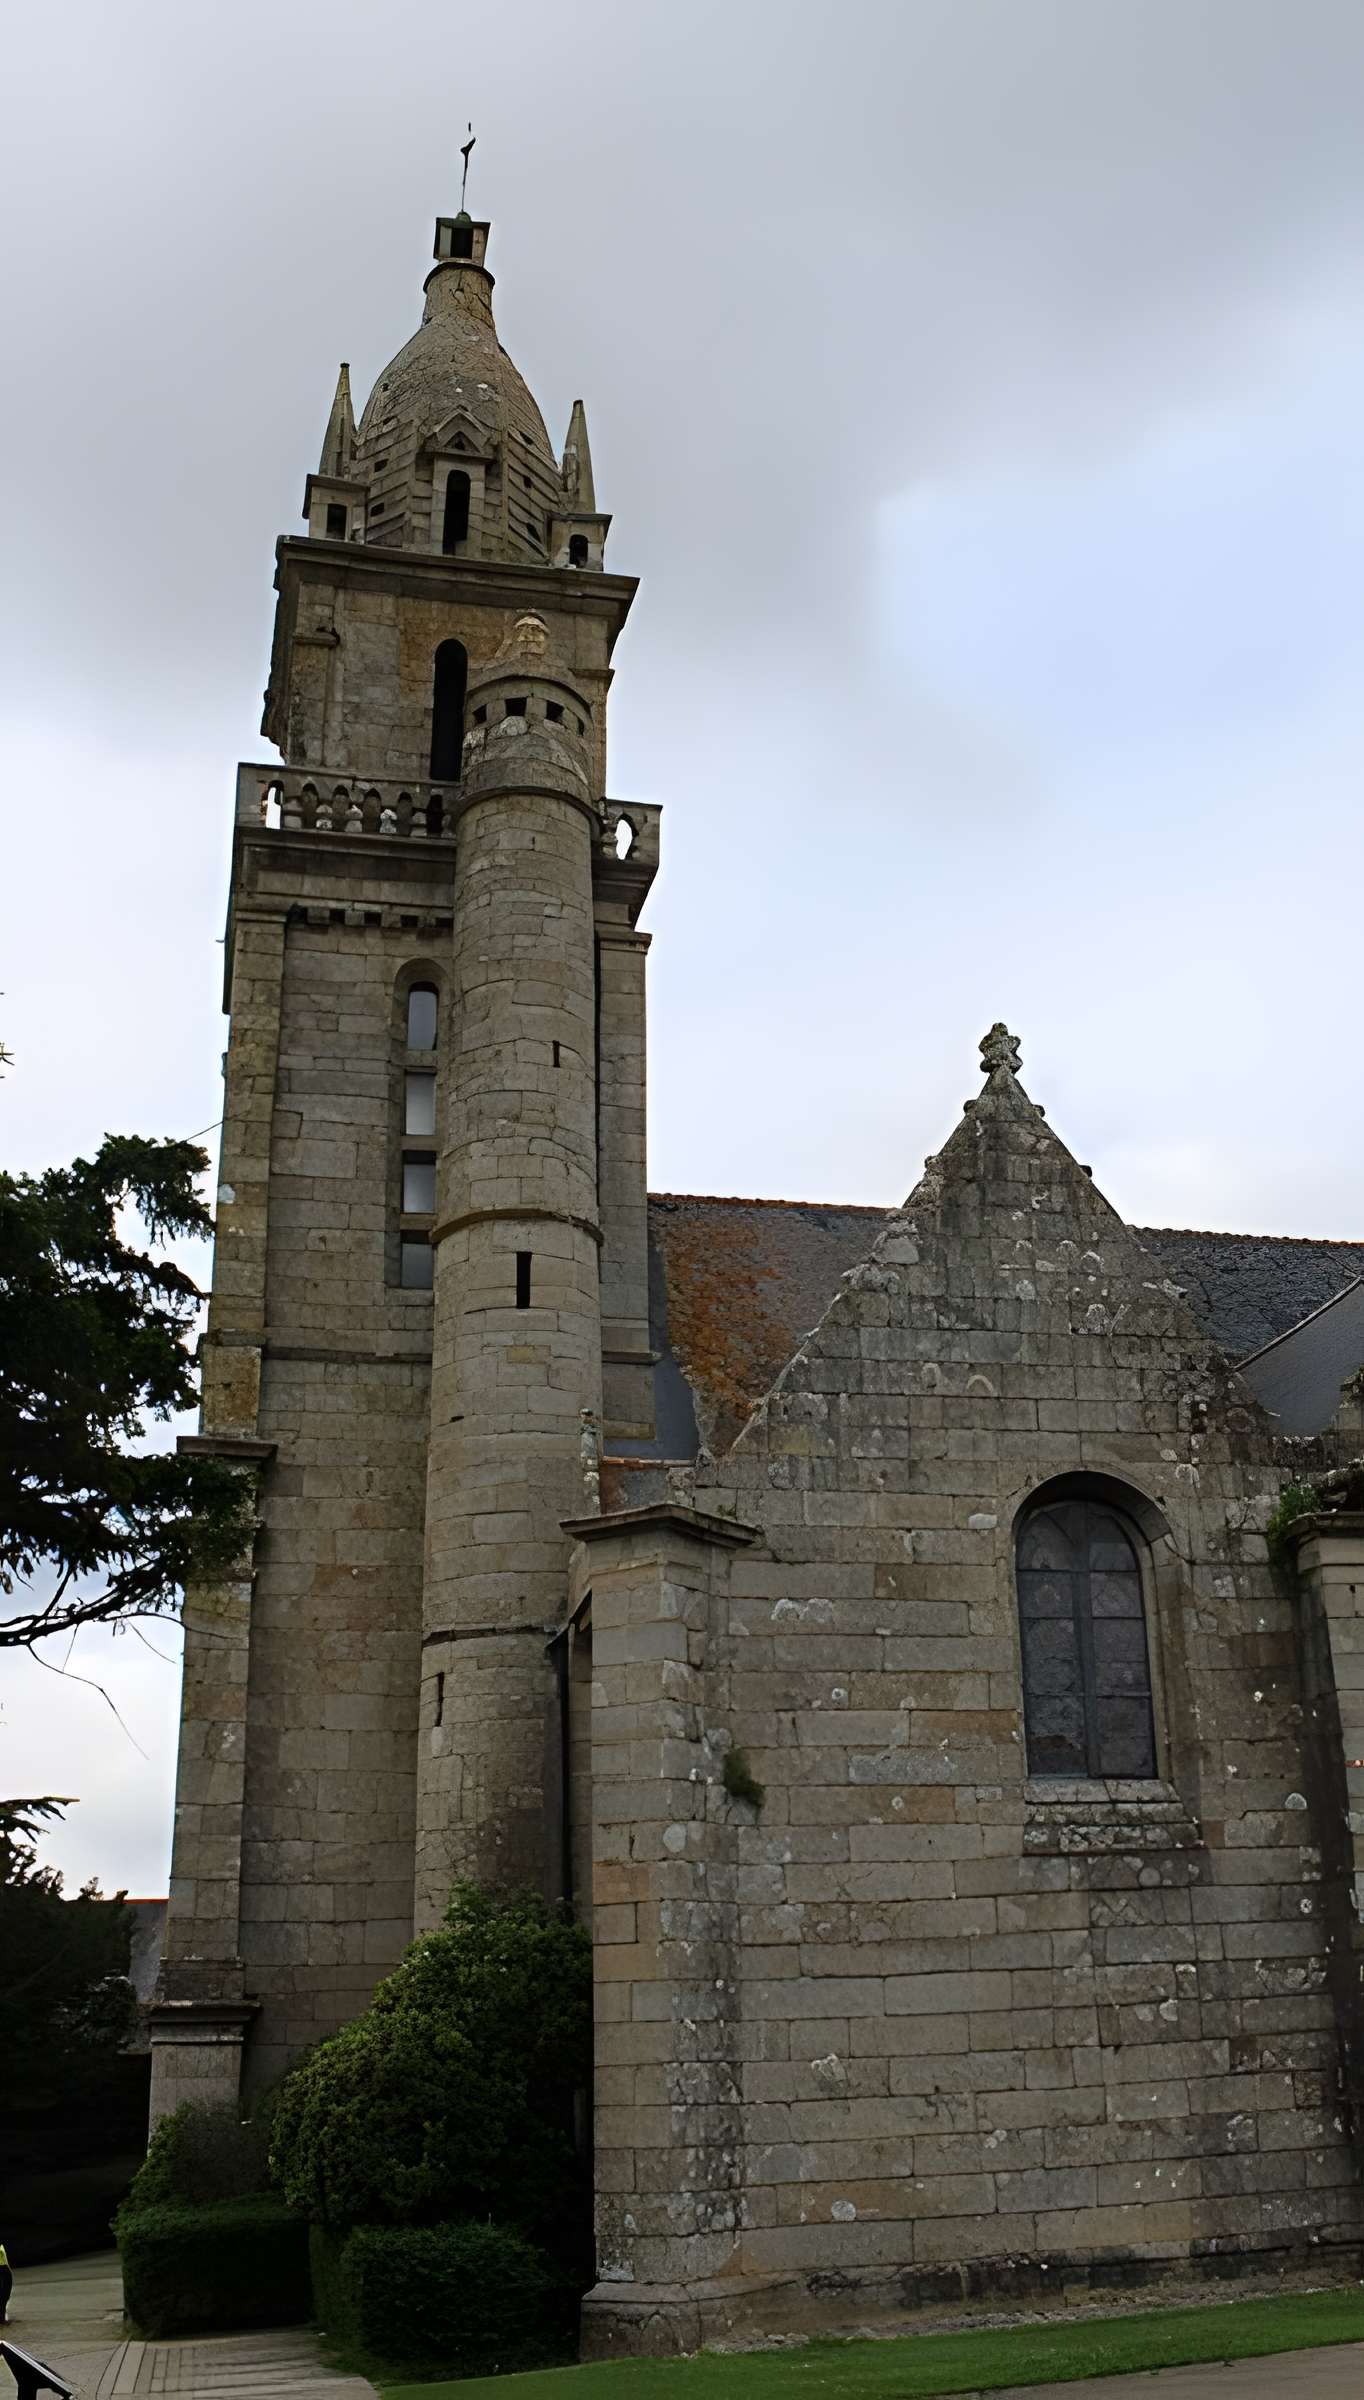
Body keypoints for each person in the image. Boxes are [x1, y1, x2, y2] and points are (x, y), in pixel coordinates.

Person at [0, 2234, 11, 2325]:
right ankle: (1, 2320)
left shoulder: (2, 2245)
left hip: (5, 2269)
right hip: (1, 2270)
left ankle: (2, 2318)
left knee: (5, 2295)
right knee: (3, 2295)